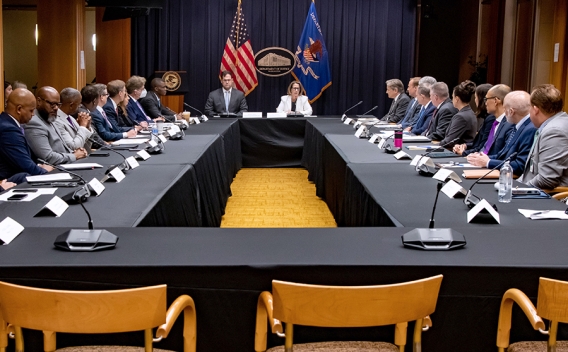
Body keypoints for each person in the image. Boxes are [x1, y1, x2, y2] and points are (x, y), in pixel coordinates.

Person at [467, 91, 537, 176]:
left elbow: (520, 165)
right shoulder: (520, 126)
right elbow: (503, 154)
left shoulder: (530, 129)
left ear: (511, 111)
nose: (504, 113)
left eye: (504, 109)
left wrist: (488, 162)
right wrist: (482, 158)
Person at [24, 86, 87, 165]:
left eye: (58, 104)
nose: (56, 108)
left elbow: (64, 148)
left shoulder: (51, 118)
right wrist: (74, 155)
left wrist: (77, 152)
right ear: (39, 101)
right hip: (55, 169)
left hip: (66, 163)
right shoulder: (33, 123)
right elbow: (47, 157)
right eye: (52, 104)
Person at [521, 84, 568, 189]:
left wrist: (517, 189)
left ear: (536, 109)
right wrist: (514, 184)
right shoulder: (555, 123)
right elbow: (531, 173)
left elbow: (547, 179)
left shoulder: (554, 131)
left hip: (549, 199)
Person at [0, 88, 53, 182]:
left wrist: (38, 166)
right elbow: (25, 166)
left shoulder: (8, 123)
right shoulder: (8, 129)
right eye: (31, 111)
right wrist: (47, 172)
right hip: (10, 184)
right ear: (19, 109)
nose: (33, 115)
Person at [453, 84, 494, 155]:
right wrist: (465, 145)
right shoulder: (486, 117)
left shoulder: (491, 119)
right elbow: (479, 143)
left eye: (475, 97)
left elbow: (482, 146)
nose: (475, 101)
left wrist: (464, 152)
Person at [439, 80, 478, 148]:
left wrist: (434, 145)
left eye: (452, 97)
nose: (452, 100)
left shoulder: (461, 117)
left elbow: (449, 142)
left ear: (457, 99)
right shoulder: (470, 112)